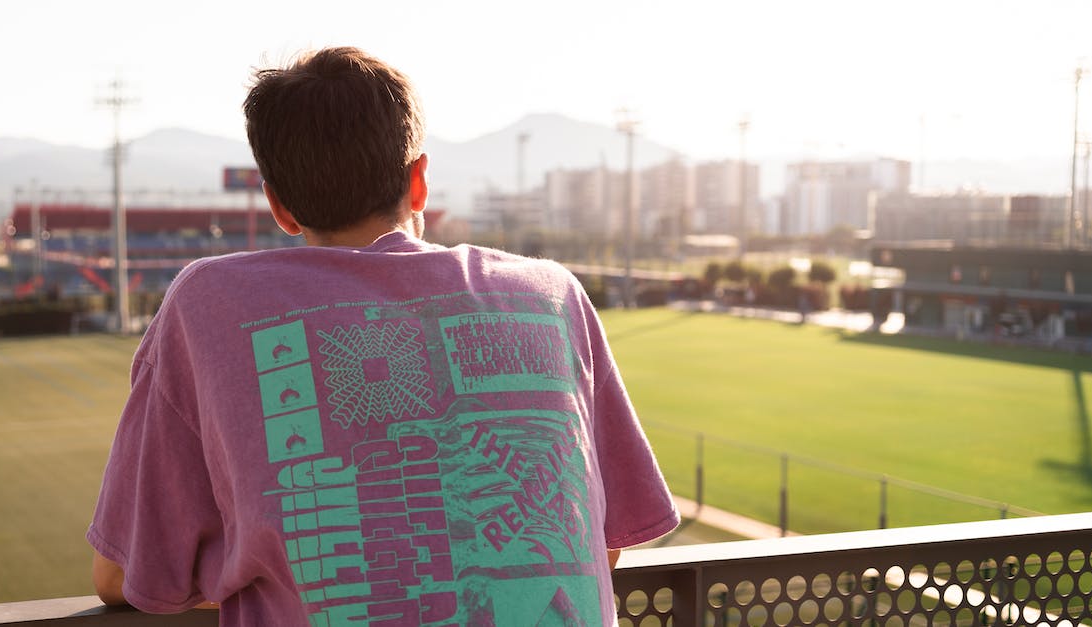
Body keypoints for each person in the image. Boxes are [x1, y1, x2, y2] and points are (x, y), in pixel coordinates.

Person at [87, 46, 678, 626]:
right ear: (419, 183)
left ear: (279, 206)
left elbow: (124, 577)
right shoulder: (552, 293)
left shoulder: (207, 302)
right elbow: (601, 544)